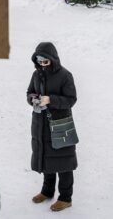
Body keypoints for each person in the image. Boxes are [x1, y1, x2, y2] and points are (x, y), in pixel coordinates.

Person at [27, 42, 77, 212]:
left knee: (64, 162)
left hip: (60, 125)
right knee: (46, 159)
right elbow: (29, 93)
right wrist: (33, 99)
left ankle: (65, 198)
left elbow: (71, 99)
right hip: (41, 124)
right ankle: (47, 191)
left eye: (45, 61)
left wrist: (51, 100)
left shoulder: (65, 76)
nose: (42, 64)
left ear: (53, 59)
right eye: (39, 60)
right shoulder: (36, 74)